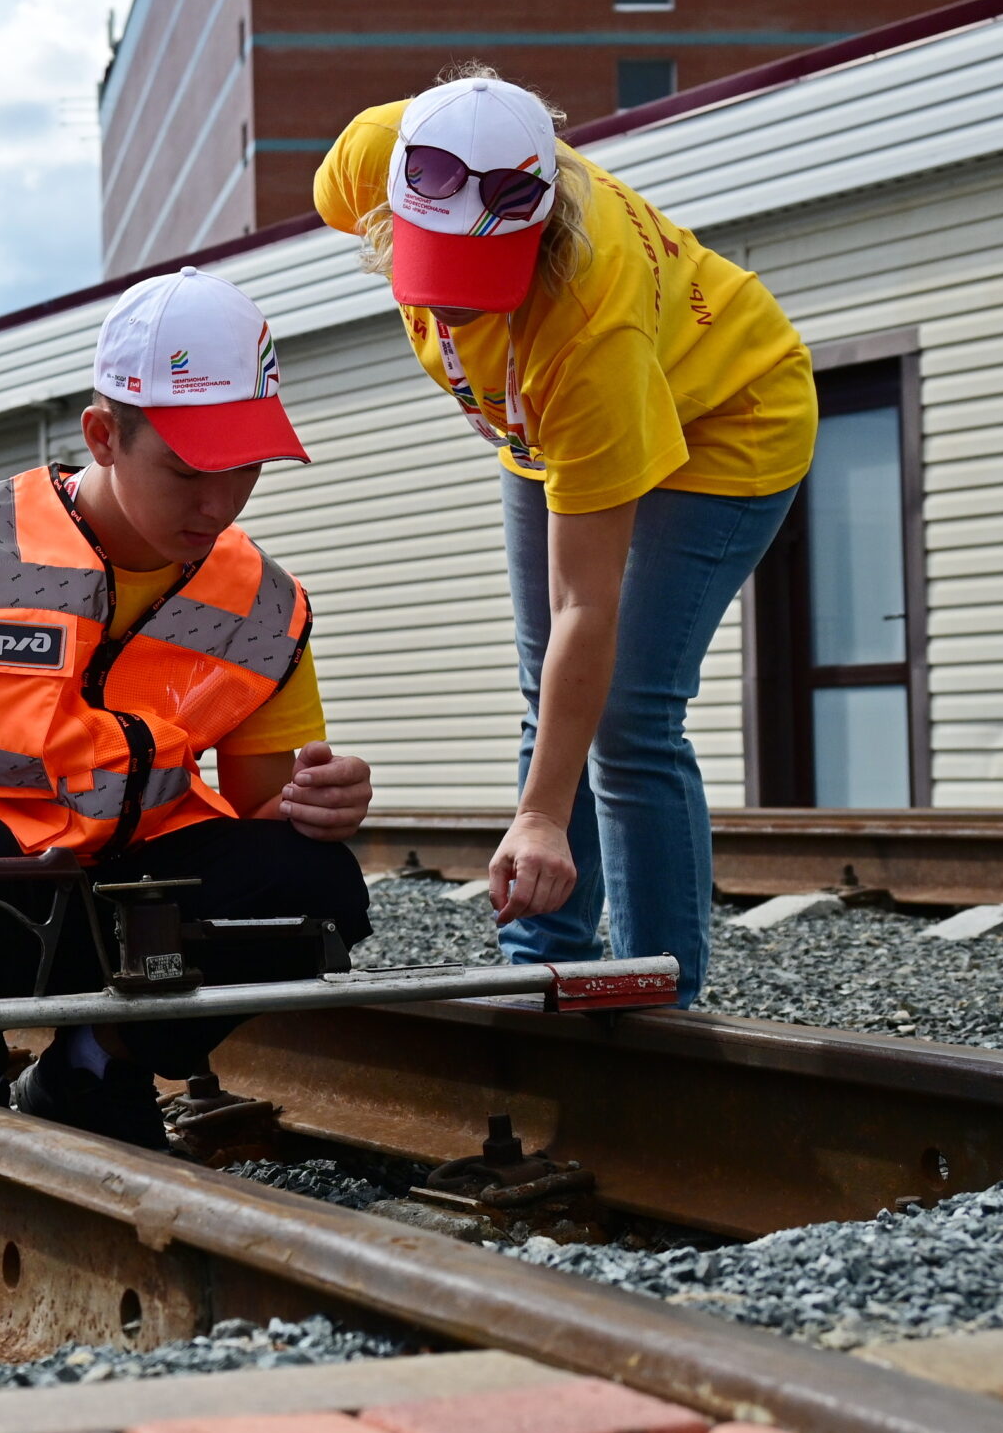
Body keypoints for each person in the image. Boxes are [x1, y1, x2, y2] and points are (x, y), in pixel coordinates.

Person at [0, 267, 377, 1150]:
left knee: (317, 883)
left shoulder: (267, 604)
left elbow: (268, 810)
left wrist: (323, 800)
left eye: (244, 470)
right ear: (103, 435)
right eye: (189, 468)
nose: (217, 503)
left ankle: (92, 1064)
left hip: (130, 893)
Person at [312, 69, 817, 1005]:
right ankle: (543, 962)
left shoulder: (591, 326)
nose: (456, 304)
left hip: (729, 418)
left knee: (627, 713)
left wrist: (542, 812)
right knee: (544, 681)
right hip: (535, 422)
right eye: (438, 270)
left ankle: (652, 989)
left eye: (482, 275)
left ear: (538, 231)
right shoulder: (369, 156)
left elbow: (592, 603)